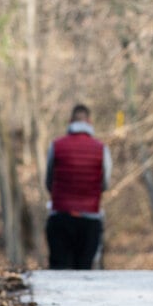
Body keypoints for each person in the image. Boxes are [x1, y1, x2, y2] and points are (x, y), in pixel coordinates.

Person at [45, 104, 113, 270]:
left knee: (59, 267)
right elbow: (105, 183)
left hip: (60, 215)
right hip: (90, 218)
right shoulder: (101, 148)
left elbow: (48, 179)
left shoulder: (56, 145)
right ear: (89, 122)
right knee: (83, 269)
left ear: (70, 121)